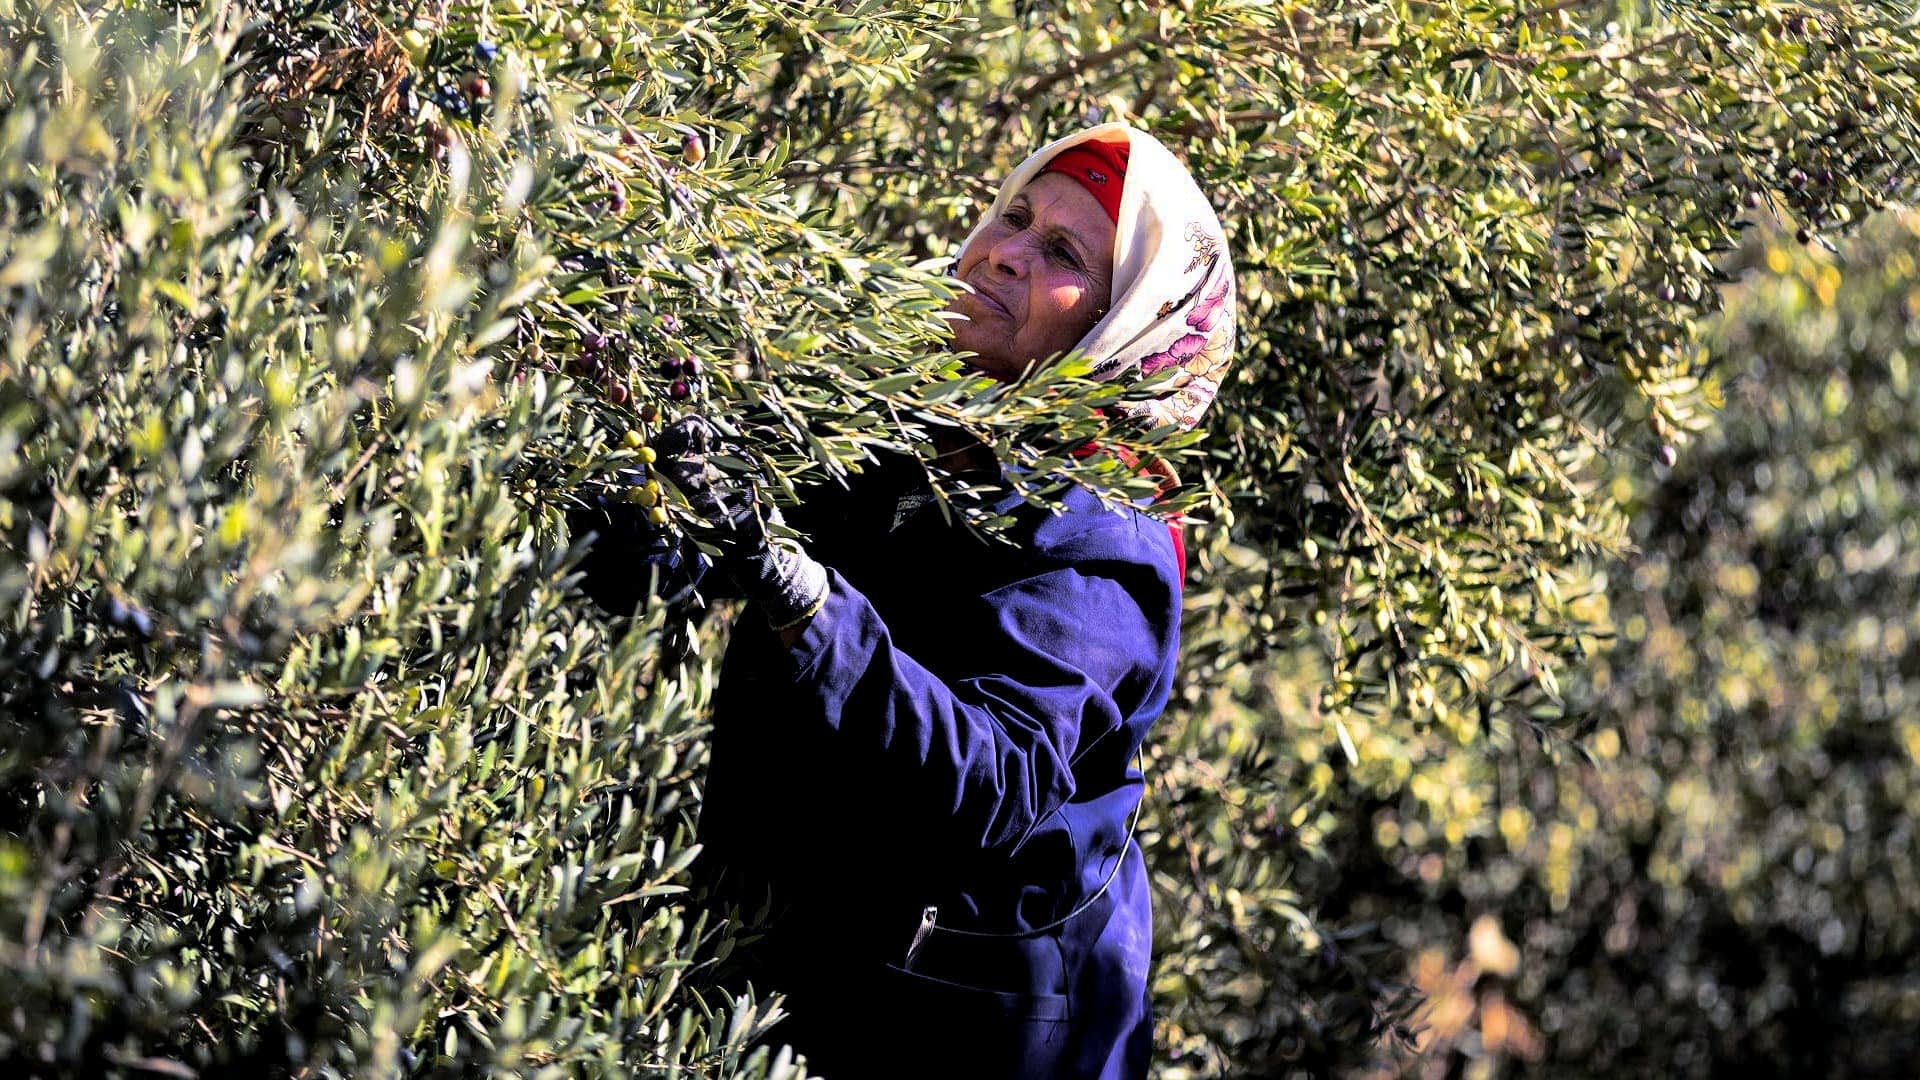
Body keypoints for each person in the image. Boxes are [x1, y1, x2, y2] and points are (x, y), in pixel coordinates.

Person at [571, 122, 1235, 1079]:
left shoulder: (1104, 541)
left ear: (1124, 322)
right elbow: (657, 568)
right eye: (1014, 216)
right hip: (775, 960)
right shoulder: (898, 414)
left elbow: (994, 780)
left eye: (1063, 253)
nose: (1005, 252)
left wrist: (799, 595)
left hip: (955, 1027)